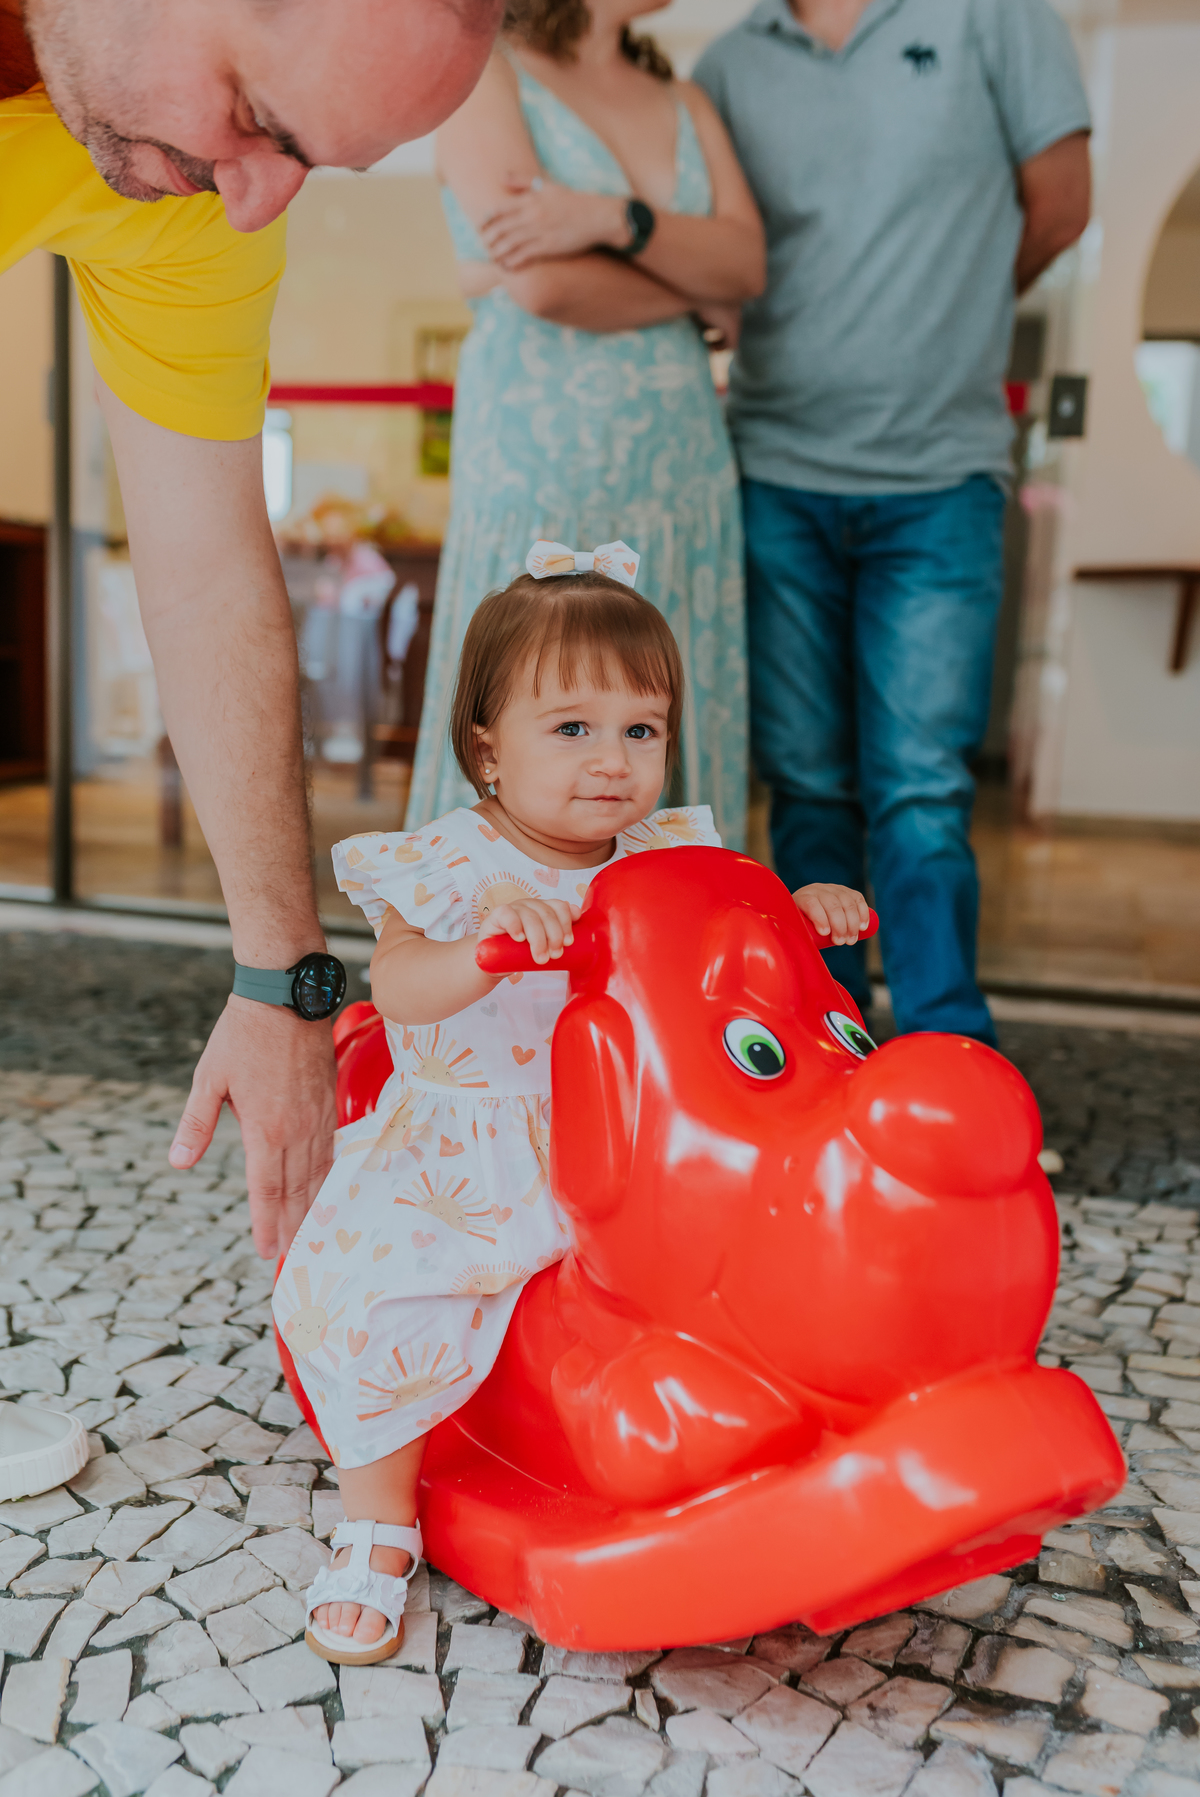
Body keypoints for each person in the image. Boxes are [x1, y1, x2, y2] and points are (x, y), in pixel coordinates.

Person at [275, 540, 870, 1660]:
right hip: (473, 1149)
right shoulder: (445, 863)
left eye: (641, 731)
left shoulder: (663, 851)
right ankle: (377, 1520)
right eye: (573, 728)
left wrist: (796, 912)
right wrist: (484, 952)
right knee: (373, 1292)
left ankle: (813, 1427)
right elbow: (398, 984)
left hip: (641, 1140)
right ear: (486, 748)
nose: (614, 762)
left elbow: (724, 953)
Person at [1, 0, 500, 1259]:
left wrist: (285, 978)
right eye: (262, 121)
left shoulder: (186, 184)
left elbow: (208, 570)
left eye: (310, 163)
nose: (256, 199)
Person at [694, 0, 1092, 1041]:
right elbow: (727, 251)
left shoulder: (997, 19)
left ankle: (948, 1049)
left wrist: (945, 313)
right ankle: (829, 1035)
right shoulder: (733, 64)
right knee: (811, 786)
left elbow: (1060, 204)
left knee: (920, 792)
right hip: (776, 468)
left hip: (939, 478)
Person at [407, 0, 766, 851]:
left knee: (660, 690)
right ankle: (497, 954)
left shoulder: (686, 101)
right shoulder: (483, 71)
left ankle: (673, 957)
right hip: (542, 453)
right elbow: (544, 288)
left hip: (681, 464)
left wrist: (611, 222)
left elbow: (747, 265)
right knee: (536, 680)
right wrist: (694, 286)